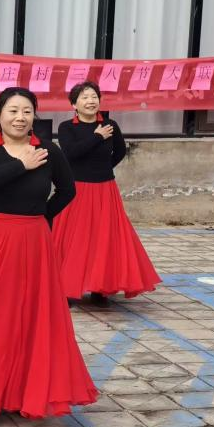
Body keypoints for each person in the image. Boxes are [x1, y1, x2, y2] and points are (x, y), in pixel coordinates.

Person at [0, 87, 97, 427]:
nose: (20, 118)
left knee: (33, 316)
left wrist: (42, 217)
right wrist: (21, 164)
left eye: (27, 111)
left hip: (35, 239)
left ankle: (26, 390)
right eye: (12, 111)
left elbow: (68, 190)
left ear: (34, 116)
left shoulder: (49, 151)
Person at [53, 81, 161, 305]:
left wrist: (103, 168)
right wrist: (97, 137)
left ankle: (99, 289)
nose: (91, 101)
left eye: (94, 96)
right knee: (74, 240)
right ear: (74, 104)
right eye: (84, 97)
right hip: (76, 189)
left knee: (104, 239)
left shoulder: (110, 125)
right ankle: (67, 289)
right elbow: (71, 153)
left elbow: (120, 151)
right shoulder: (67, 127)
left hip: (105, 188)